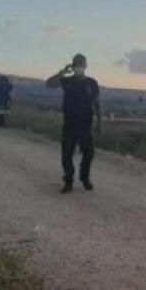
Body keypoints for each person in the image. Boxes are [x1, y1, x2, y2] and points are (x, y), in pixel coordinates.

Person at [46, 54, 101, 194]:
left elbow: (97, 103)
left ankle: (84, 178)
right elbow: (49, 84)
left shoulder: (92, 83)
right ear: (73, 65)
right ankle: (68, 181)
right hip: (69, 125)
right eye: (76, 64)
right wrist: (63, 72)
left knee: (89, 154)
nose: (79, 67)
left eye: (81, 64)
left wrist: (99, 123)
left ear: (85, 66)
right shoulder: (67, 81)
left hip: (85, 126)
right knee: (66, 156)